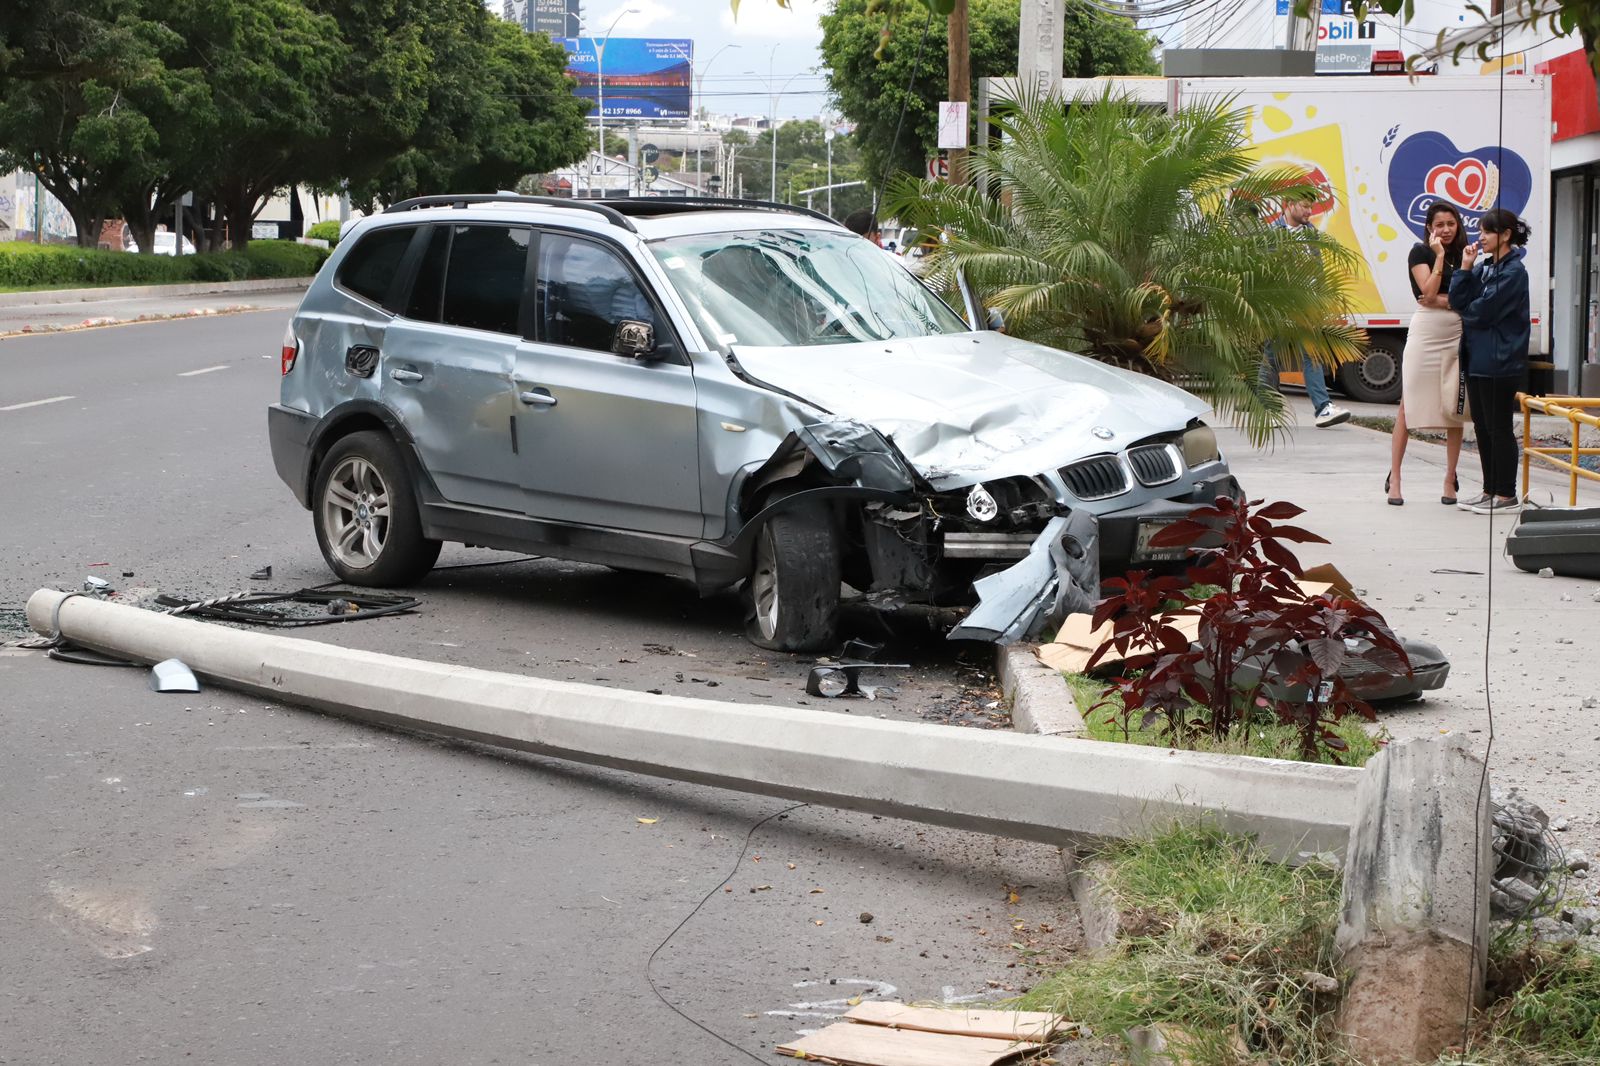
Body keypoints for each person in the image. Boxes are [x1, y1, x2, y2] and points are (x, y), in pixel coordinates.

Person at [1449, 207, 1532, 515]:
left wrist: (1468, 309)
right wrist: (1466, 267)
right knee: (1483, 427)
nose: (1480, 237)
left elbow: (1480, 313)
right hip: (1478, 357)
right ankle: (1489, 490)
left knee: (1498, 427)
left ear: (1505, 235)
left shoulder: (1513, 272)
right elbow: (1459, 302)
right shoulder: (1485, 267)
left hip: (1500, 360)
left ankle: (1507, 494)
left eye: (1486, 231)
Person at [1385, 201, 1468, 506]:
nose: (1445, 230)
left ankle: (1450, 478)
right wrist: (1441, 257)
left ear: (1458, 225)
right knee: (1408, 407)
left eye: (1451, 224)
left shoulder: (1466, 254)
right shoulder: (1421, 253)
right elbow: (1427, 293)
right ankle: (1395, 478)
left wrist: (1447, 300)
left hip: (1456, 333)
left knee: (1453, 408)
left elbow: (1466, 298)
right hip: (1426, 334)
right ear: (1430, 227)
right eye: (1439, 225)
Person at [1267, 195, 1352, 429]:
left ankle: (1323, 408)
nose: (1309, 211)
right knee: (1272, 356)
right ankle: (1270, 410)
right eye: (1305, 206)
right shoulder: (1270, 233)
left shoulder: (1311, 233)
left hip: (1308, 306)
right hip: (1281, 305)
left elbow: (1318, 270)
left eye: (1311, 207)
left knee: (1312, 353)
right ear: (1288, 204)